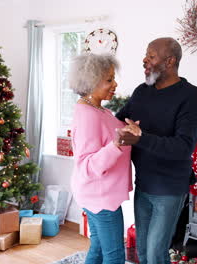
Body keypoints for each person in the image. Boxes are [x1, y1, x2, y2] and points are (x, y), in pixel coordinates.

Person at [116, 37, 197, 264]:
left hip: (169, 188)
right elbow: (117, 121)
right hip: (143, 184)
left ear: (170, 61)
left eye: (151, 56)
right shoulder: (141, 92)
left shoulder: (190, 96)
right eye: (146, 54)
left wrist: (141, 138)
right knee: (143, 253)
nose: (145, 60)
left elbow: (183, 147)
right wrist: (91, 106)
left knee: (155, 254)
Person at [69, 53, 132, 264]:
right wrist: (117, 144)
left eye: (113, 78)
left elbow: (109, 132)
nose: (115, 84)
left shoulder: (98, 109)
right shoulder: (88, 114)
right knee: (114, 256)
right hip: (101, 196)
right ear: (91, 81)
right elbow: (88, 164)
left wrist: (127, 129)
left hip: (99, 193)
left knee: (97, 247)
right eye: (109, 80)